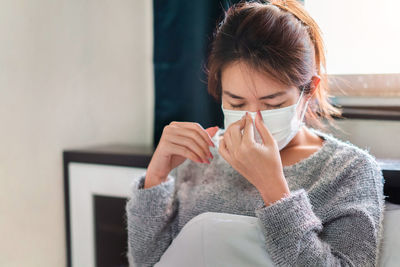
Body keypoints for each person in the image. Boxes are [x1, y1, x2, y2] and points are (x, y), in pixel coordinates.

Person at [125, 0, 386, 266]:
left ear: (308, 91)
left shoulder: (349, 170)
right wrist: (155, 178)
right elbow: (147, 262)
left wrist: (274, 190)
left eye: (273, 104)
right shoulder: (199, 157)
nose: (252, 119)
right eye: (236, 103)